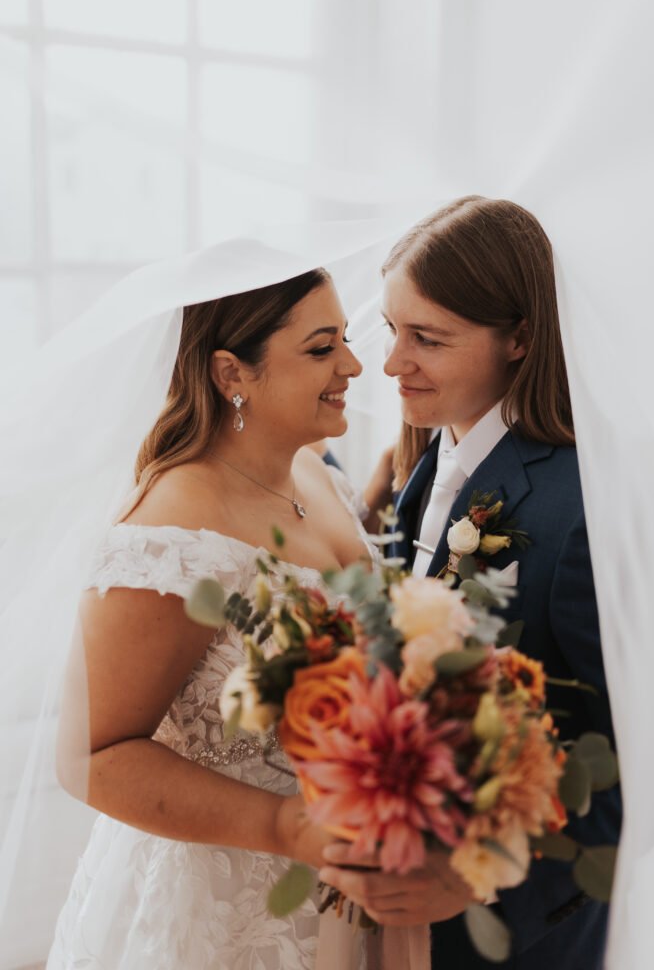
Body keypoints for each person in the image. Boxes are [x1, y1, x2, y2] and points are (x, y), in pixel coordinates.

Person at [319, 196, 622, 970]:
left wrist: (473, 880)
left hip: (522, 937)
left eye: (427, 338)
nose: (390, 364)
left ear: (519, 337)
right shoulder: (426, 469)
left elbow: (633, 770)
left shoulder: (578, 509)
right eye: (392, 331)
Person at [47, 267, 374, 970]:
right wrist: (285, 825)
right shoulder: (173, 528)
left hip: (348, 884)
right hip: (221, 907)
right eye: (321, 349)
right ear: (233, 371)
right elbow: (91, 757)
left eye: (344, 341)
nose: (352, 365)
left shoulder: (318, 475)